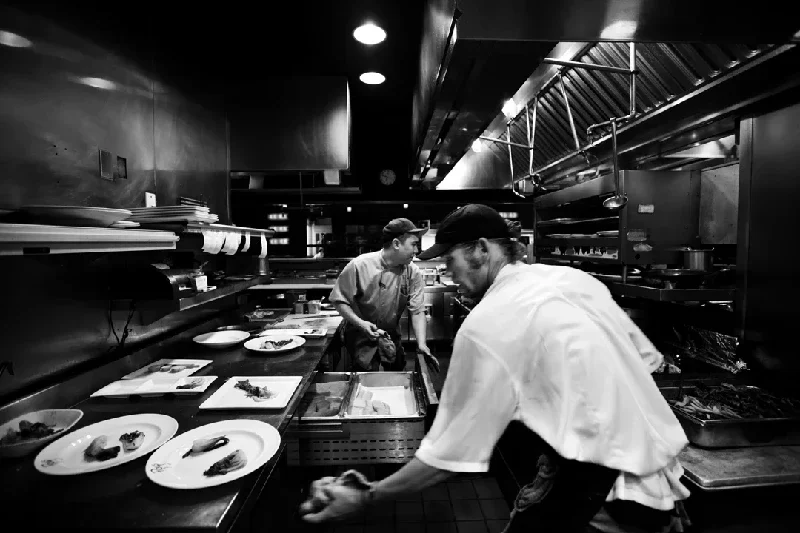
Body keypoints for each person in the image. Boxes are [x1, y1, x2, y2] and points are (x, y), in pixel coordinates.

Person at [301, 204, 691, 532]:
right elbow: (646, 361)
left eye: (450, 260)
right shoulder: (573, 280)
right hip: (662, 484)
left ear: (482, 250)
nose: (449, 273)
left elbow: (450, 452)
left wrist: (369, 495)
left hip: (602, 493)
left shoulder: (489, 321)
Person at [329, 217, 440, 372]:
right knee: (363, 382)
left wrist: (422, 344)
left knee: (395, 380)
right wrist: (361, 324)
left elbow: (417, 310)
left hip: (391, 336)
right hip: (360, 337)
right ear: (396, 244)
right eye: (413, 244)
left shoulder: (412, 272)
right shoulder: (359, 265)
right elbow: (339, 300)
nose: (416, 251)